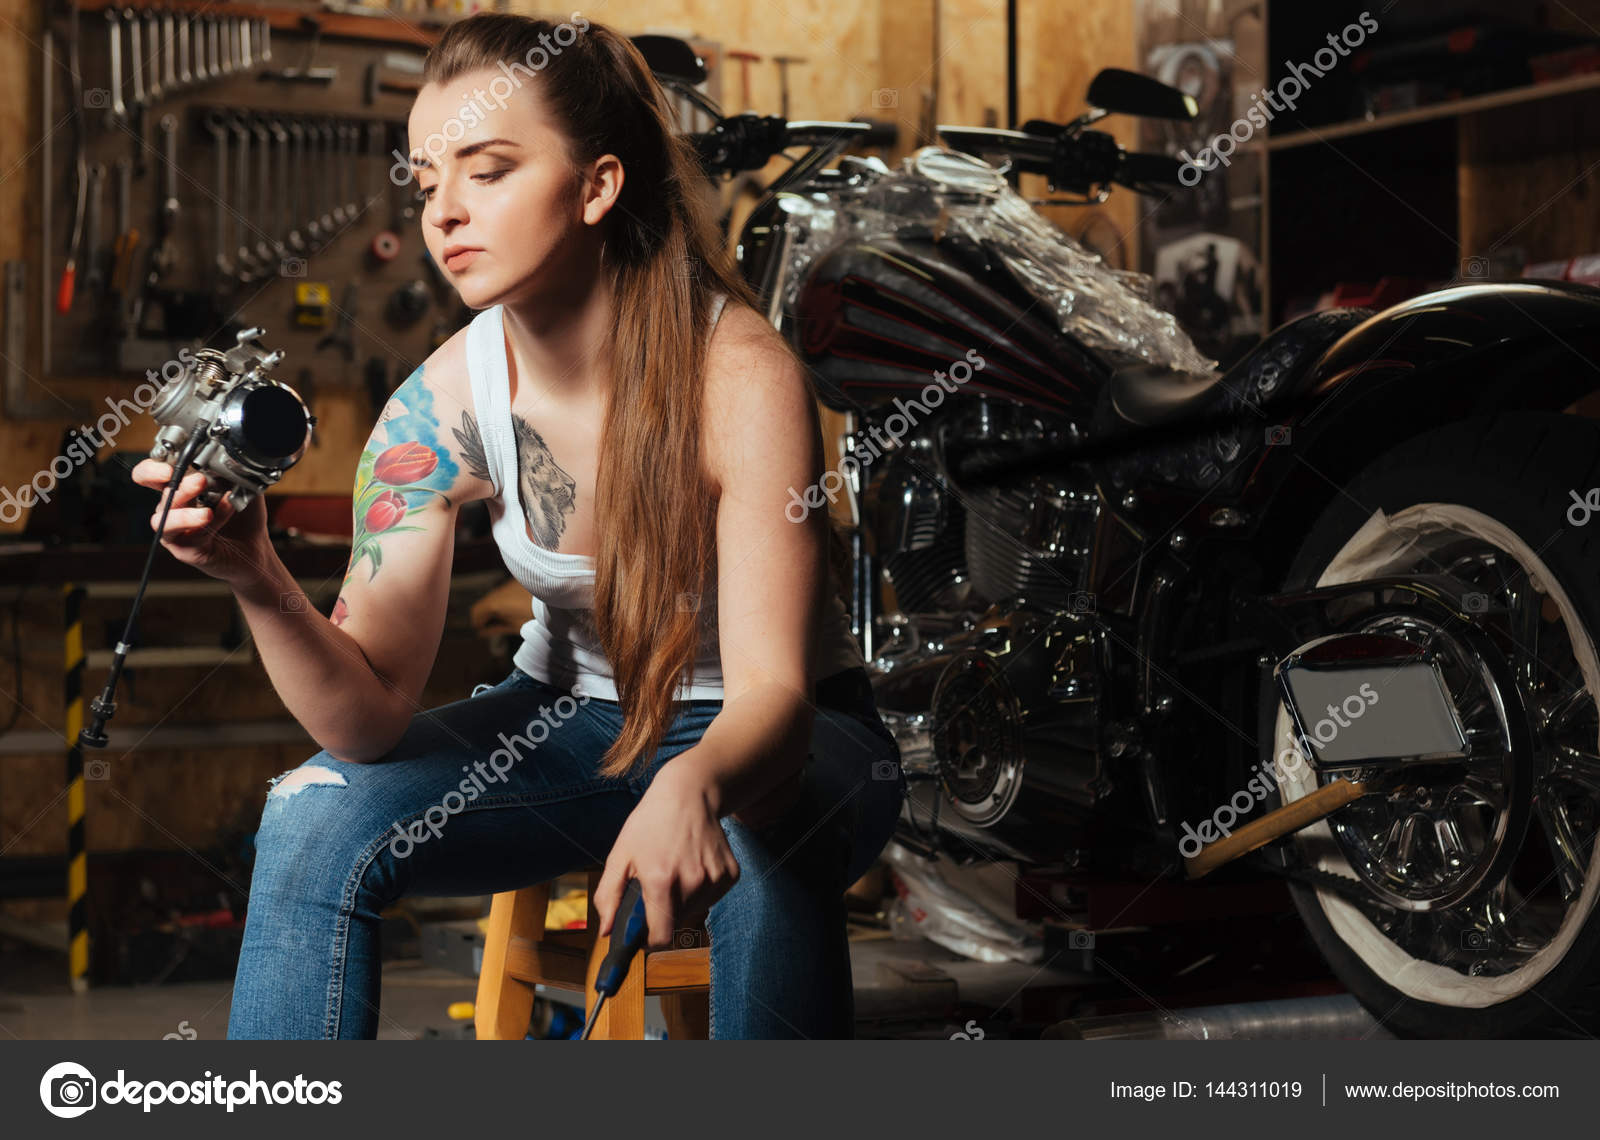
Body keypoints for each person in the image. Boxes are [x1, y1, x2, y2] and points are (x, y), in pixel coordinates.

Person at [130, 12, 904, 1040]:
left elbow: (775, 696)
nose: (442, 211)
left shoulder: (739, 374)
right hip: (570, 724)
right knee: (313, 814)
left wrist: (694, 781)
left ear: (595, 186)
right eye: (424, 179)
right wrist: (256, 574)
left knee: (764, 836)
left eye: (487, 170)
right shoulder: (437, 405)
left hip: (783, 742)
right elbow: (366, 721)